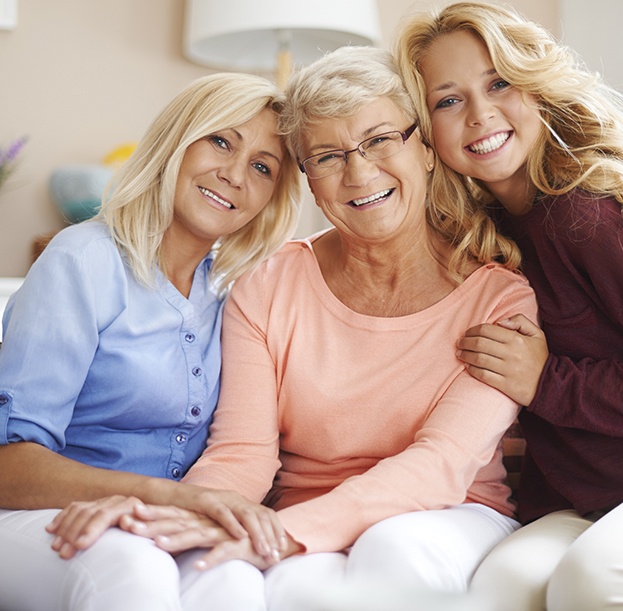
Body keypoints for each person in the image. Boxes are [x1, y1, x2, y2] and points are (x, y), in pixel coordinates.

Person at [117, 45, 539, 610]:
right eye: (328, 156)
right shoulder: (266, 286)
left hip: (451, 515)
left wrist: (280, 533)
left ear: (428, 151)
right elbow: (242, 455)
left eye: (381, 140)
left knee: (394, 553)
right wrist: (172, 521)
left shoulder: (500, 298)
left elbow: (438, 467)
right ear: (309, 181)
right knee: (266, 585)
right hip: (301, 518)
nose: (360, 173)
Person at [0, 72, 300, 611]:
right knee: (131, 568)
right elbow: (8, 465)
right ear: (176, 141)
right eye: (220, 140)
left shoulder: (237, 293)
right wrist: (159, 496)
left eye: (261, 167)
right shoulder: (82, 260)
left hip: (150, 518)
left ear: (270, 198)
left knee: (231, 576)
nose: (234, 174)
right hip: (33, 517)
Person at [394, 3, 623, 610]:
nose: (480, 113)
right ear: (426, 131)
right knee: (502, 584)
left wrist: (546, 380)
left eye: (498, 83)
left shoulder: (590, 216)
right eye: (448, 101)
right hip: (579, 501)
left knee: (593, 581)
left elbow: (544, 383)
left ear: (536, 87)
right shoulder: (483, 234)